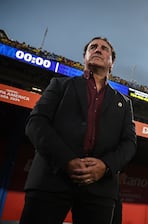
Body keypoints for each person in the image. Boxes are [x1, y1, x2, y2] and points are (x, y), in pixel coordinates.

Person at [19, 37, 137, 224]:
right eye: (93, 47)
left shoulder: (124, 103)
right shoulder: (59, 85)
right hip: (51, 179)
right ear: (85, 57)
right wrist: (66, 160)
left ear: (111, 62)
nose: (98, 49)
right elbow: (36, 123)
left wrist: (105, 166)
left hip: (100, 188)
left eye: (104, 48)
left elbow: (129, 143)